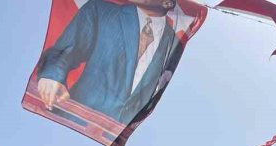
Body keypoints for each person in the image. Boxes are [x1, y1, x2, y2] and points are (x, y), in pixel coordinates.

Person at [36, 0, 184, 125]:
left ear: (167, 2)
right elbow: (65, 50)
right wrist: (52, 75)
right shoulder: (100, 11)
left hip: (119, 139)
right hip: (73, 122)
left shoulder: (174, 46)